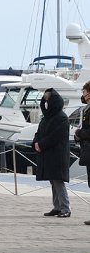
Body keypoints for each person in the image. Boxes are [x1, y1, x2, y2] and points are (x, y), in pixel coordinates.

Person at [34, 88, 71, 218]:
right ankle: (57, 207)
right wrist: (36, 143)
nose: (46, 103)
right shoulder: (47, 118)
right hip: (49, 154)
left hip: (57, 155)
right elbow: (38, 133)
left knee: (58, 181)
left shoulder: (61, 117)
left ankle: (65, 208)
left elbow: (56, 136)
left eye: (48, 100)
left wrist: (41, 145)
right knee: (53, 180)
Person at [74, 82, 90, 225]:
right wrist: (77, 135)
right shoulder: (86, 110)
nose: (83, 95)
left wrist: (79, 133)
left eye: (84, 92)